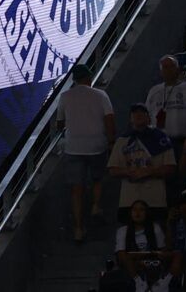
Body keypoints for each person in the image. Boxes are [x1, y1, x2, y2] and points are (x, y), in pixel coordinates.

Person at [61, 64, 117, 241]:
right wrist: (111, 141)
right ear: (89, 78)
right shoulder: (100, 95)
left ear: (74, 80)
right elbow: (109, 119)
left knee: (76, 189)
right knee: (98, 178)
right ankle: (95, 206)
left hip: (73, 147)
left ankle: (78, 228)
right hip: (96, 145)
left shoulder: (65, 97)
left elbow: (59, 123)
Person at [111, 103, 178, 224]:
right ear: (130, 118)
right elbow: (112, 169)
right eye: (135, 113)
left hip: (155, 200)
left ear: (148, 117)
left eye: (142, 112)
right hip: (129, 200)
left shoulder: (161, 139)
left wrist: (149, 172)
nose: (138, 115)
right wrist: (128, 171)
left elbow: (171, 167)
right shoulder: (122, 141)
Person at [114, 197, 174, 291]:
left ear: (146, 213)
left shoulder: (155, 228)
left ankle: (163, 282)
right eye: (134, 210)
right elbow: (121, 255)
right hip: (132, 264)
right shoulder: (122, 231)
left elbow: (162, 250)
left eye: (141, 210)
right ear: (130, 213)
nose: (137, 212)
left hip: (153, 262)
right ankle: (139, 283)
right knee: (127, 258)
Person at [148, 55, 186, 140]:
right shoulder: (154, 91)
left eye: (172, 66)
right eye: (165, 67)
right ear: (161, 71)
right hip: (160, 141)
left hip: (185, 139)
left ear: (178, 69)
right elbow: (147, 115)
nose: (169, 70)